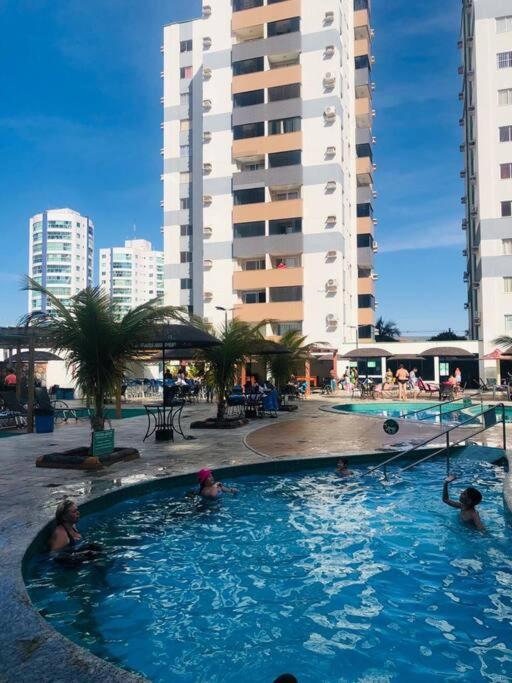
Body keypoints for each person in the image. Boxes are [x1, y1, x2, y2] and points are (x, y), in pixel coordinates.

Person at [49, 499, 102, 564]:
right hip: (68, 561)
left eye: (77, 510)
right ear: (64, 517)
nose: (78, 513)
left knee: (96, 547)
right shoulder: (61, 533)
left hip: (74, 550)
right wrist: (78, 554)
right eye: (74, 512)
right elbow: (53, 555)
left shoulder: (72, 525)